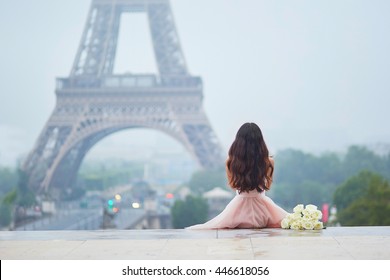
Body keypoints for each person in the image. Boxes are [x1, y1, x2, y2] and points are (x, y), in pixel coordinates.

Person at [186, 122, 287, 229]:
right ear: (260, 141)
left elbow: (233, 185)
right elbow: (268, 186)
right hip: (263, 210)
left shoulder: (231, 162)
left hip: (239, 210)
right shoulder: (269, 162)